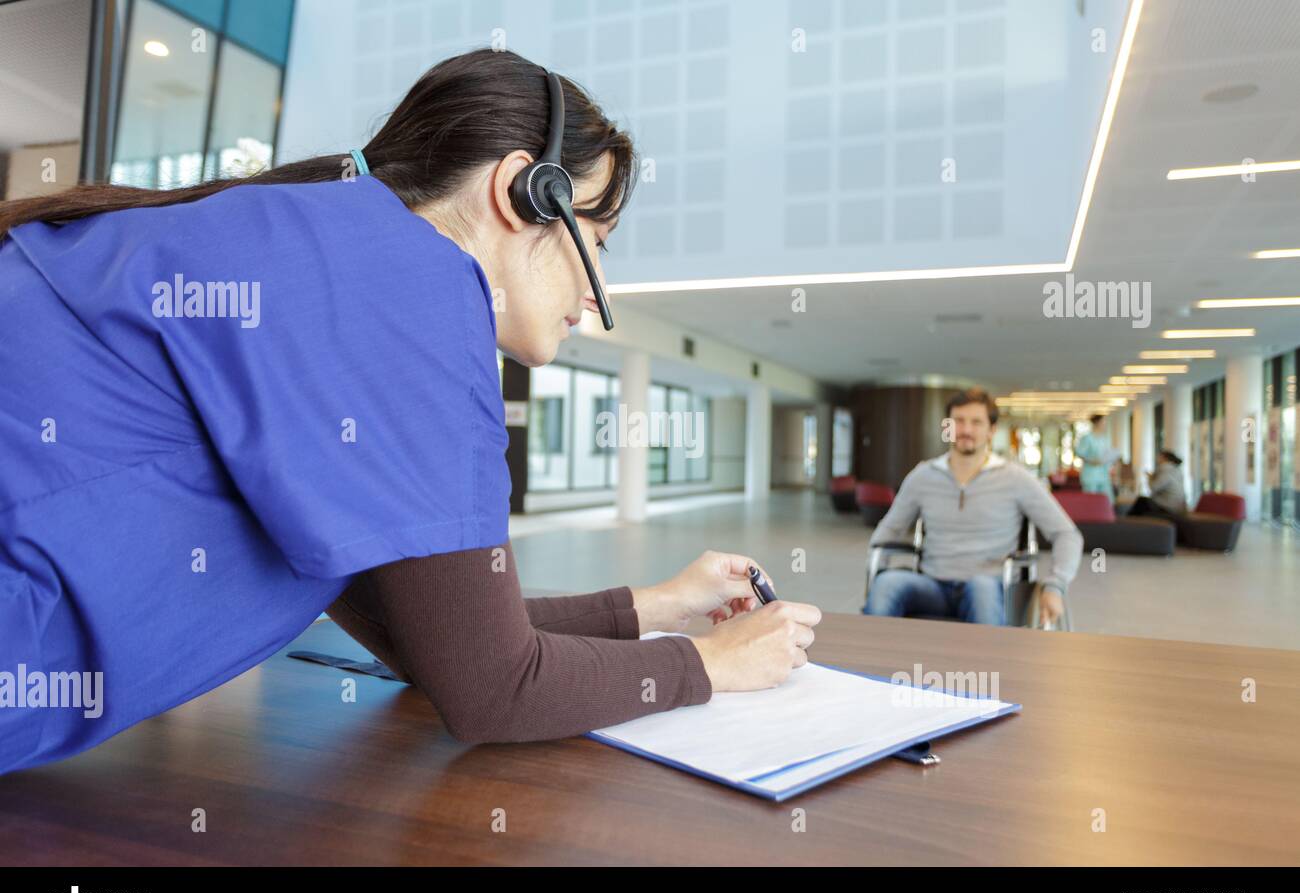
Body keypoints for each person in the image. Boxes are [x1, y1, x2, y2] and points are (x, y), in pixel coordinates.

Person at [0, 49, 821, 776]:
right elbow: (493, 691)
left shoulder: (317, 252)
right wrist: (712, 664)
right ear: (522, 192)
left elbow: (436, 642)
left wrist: (654, 607)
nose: (595, 288)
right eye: (597, 240)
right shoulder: (410, 291)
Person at [862, 388, 1083, 627]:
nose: (966, 430)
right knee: (887, 584)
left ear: (991, 430)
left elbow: (1066, 534)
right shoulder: (923, 476)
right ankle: (865, 662)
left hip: (991, 585)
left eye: (976, 422)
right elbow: (890, 529)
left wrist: (1055, 585)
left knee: (981, 587)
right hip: (933, 584)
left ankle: (989, 665)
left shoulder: (1016, 478)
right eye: (958, 421)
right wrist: (878, 562)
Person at [1127, 450, 1187, 519]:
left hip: (1170, 506)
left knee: (1141, 501)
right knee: (1142, 503)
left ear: (1165, 458)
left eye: (1159, 457)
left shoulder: (1166, 471)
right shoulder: (1175, 470)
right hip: (1177, 505)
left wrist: (1150, 478)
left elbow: (1153, 487)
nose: (1157, 459)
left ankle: (1129, 522)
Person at [1076, 413, 1118, 503]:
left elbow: (1107, 453)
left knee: (1107, 500)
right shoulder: (1087, 438)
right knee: (1091, 501)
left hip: (1103, 474)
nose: (1105, 424)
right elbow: (1080, 453)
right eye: (1103, 422)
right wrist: (1092, 461)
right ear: (1097, 423)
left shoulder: (1105, 439)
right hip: (1090, 475)